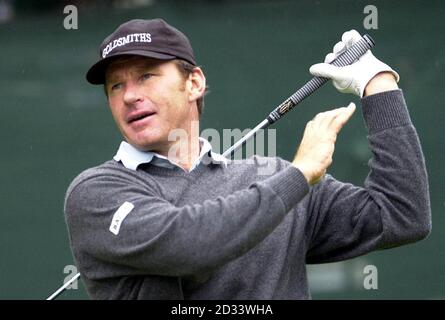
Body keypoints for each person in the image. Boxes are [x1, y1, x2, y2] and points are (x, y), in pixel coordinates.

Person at [64, 18, 431, 299]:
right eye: (116, 85)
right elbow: (190, 245)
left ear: (193, 83)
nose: (129, 96)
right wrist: (300, 175)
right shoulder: (97, 193)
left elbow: (402, 215)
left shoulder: (272, 176)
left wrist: (378, 85)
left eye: (146, 76)